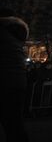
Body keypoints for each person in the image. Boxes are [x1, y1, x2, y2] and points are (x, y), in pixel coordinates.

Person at [0, 10, 30, 142]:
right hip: (17, 83)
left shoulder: (3, 34)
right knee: (14, 123)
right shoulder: (16, 37)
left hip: (4, 82)